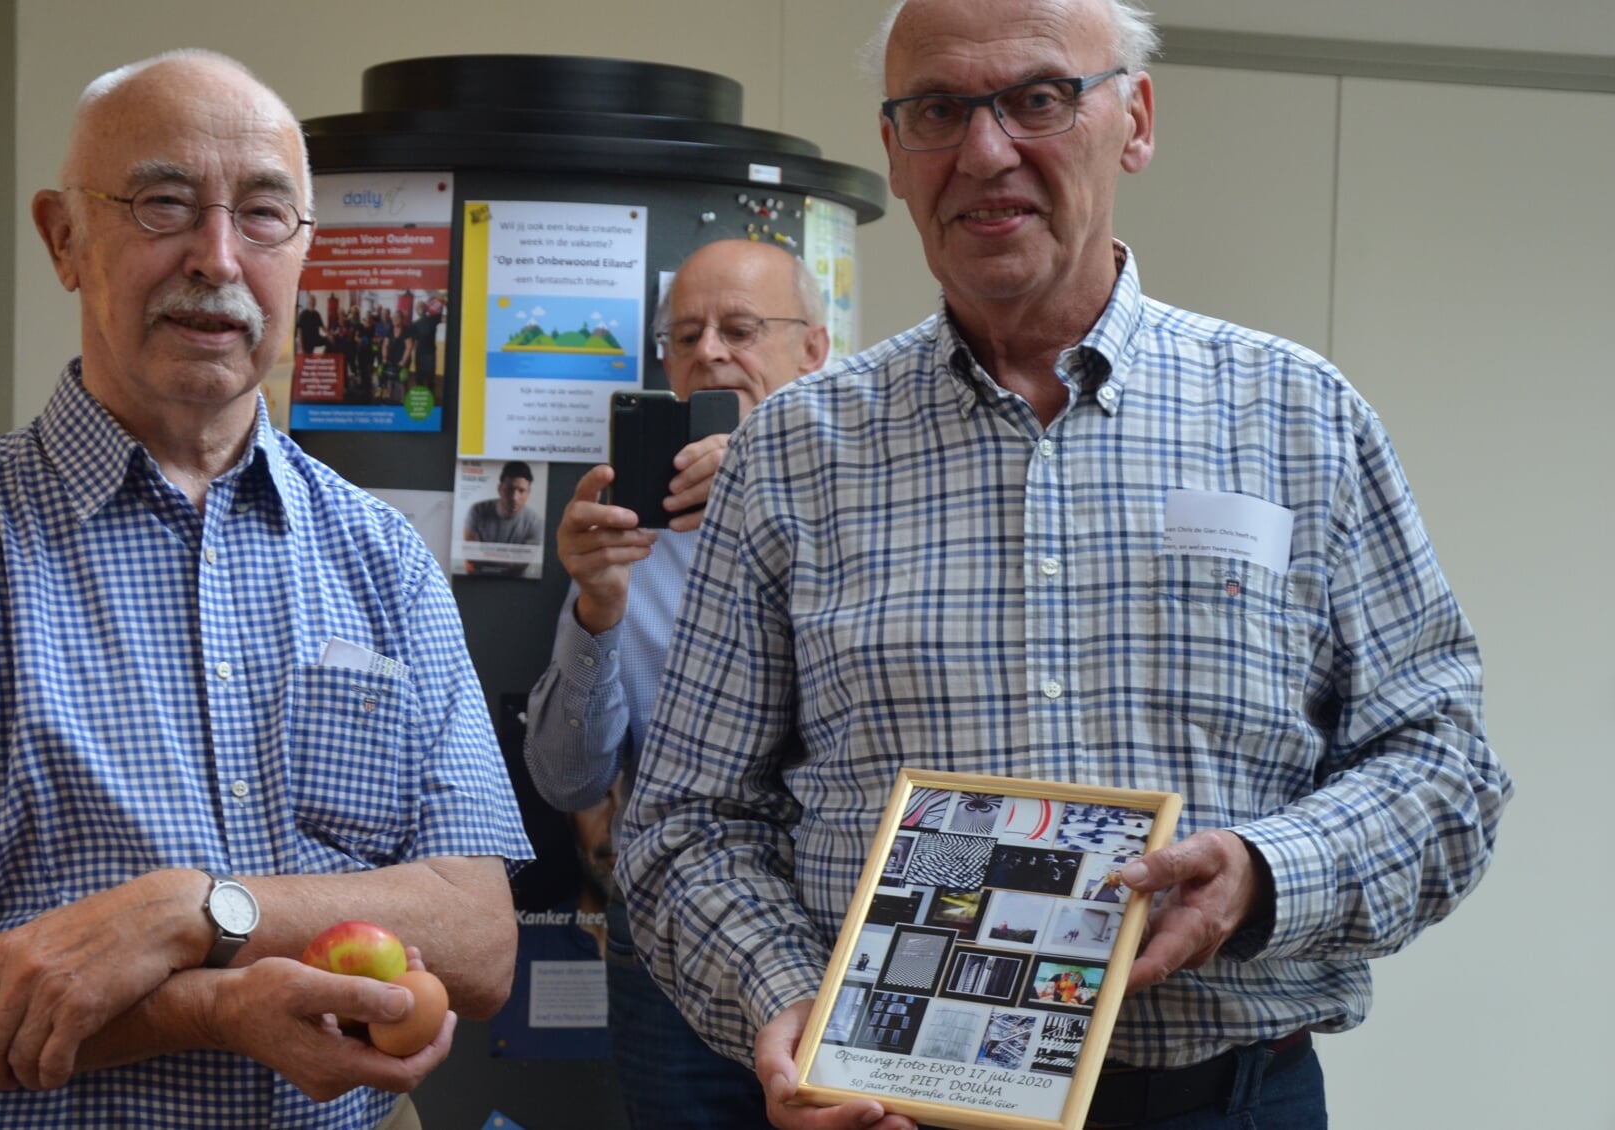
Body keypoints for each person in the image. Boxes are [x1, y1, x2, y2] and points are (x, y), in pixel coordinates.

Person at [615, 3, 1512, 1129]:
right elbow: (685, 823)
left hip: (1224, 1099)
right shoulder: (796, 453)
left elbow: (1444, 766)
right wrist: (793, 994)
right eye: (939, 109)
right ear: (894, 152)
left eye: (1039, 98)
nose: (986, 151)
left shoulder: (1299, 419)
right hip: (894, 1105)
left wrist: (1263, 870)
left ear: (1133, 119)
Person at [0, 49, 532, 1130]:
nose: (217, 256)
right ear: (64, 238)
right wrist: (205, 1005)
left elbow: (479, 937)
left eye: (262, 215)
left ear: (304, 254)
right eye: (163, 204)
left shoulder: (382, 560)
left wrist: (193, 909)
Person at [524, 239, 829, 1129]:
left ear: (812, 349)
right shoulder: (628, 535)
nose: (710, 353)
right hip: (673, 944)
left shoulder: (861, 508)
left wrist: (764, 490)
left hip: (838, 932)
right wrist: (597, 610)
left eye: (740, 328)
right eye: (685, 335)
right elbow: (569, 780)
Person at [461, 460, 544, 576]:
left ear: (528, 493)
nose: (515, 498)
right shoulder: (477, 510)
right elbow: (471, 554)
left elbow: (521, 565)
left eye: (521, 491)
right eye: (510, 489)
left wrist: (484, 554)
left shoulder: (536, 523)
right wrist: (511, 558)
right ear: (499, 489)